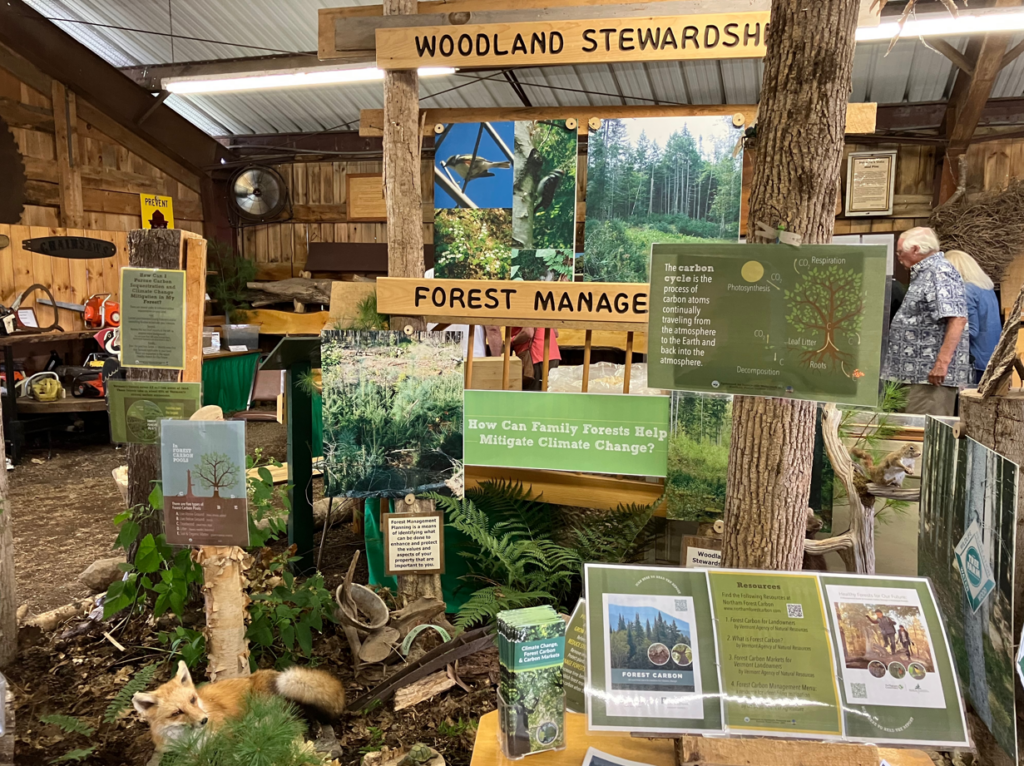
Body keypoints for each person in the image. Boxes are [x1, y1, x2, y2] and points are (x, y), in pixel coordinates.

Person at [882, 227, 970, 417]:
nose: (898, 256)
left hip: (929, 379)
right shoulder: (925, 273)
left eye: (900, 251)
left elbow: (957, 319)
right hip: (913, 375)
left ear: (915, 249)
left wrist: (942, 363)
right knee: (907, 437)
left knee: (922, 437)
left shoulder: (940, 271)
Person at [944, 249, 1001, 384]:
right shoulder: (986, 288)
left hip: (975, 361)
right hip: (991, 357)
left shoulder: (965, 290)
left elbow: (971, 330)